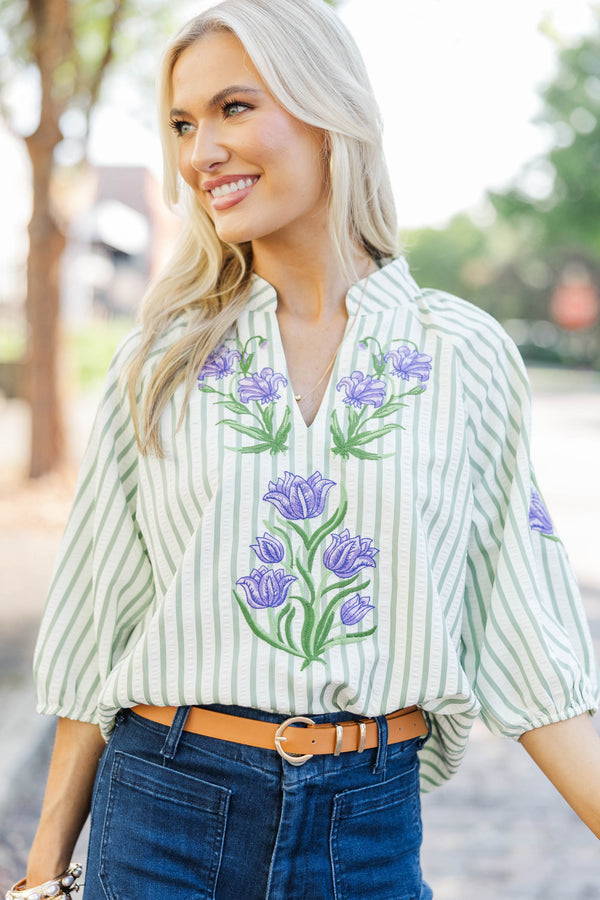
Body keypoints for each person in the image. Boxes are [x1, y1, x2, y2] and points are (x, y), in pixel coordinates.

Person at [8, 0, 600, 898]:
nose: (200, 152)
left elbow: (521, 635)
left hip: (366, 830)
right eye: (182, 124)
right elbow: (97, 622)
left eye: (233, 108)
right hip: (164, 814)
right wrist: (42, 875)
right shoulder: (162, 360)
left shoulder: (463, 354)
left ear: (331, 115)